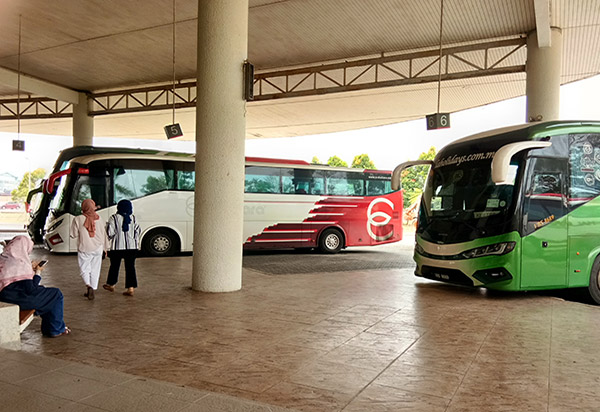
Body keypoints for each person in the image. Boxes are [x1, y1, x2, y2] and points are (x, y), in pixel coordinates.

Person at [0, 235, 70, 337]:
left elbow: (15, 281)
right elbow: (32, 290)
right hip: (19, 300)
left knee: (45, 293)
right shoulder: (22, 263)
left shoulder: (3, 259)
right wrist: (37, 272)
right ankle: (55, 329)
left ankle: (54, 328)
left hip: (4, 298)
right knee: (55, 294)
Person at [70, 198, 109, 300]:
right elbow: (104, 234)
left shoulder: (78, 219)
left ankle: (88, 285)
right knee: (95, 269)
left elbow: (73, 234)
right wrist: (105, 248)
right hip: (98, 248)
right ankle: (93, 287)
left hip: (85, 247)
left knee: (84, 268)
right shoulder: (99, 218)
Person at [104, 199, 141, 296]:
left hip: (117, 247)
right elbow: (138, 232)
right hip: (132, 247)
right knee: (130, 267)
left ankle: (111, 284)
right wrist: (134, 241)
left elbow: (110, 233)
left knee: (114, 266)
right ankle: (131, 288)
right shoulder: (134, 218)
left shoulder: (113, 218)